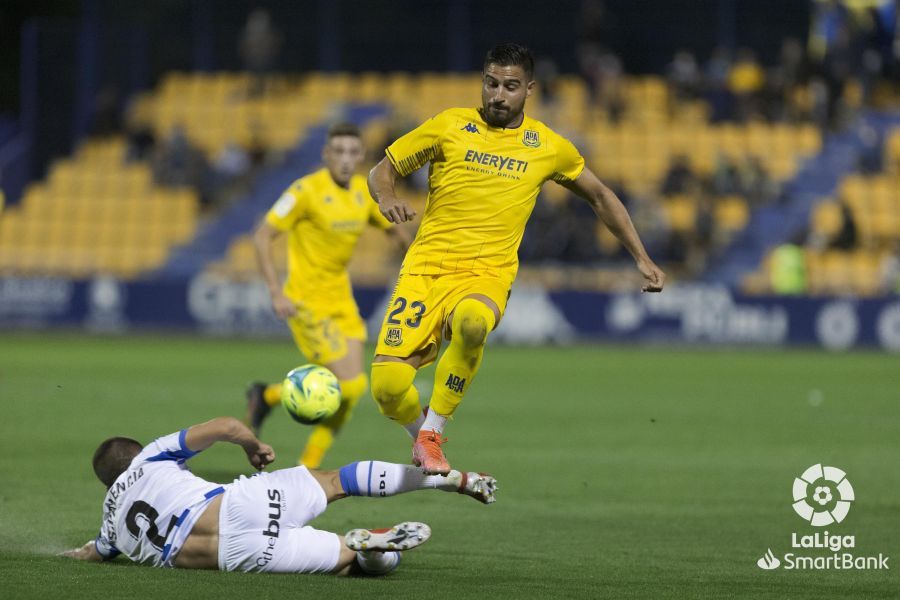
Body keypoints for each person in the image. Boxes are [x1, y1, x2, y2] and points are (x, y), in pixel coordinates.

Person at [366, 43, 665, 475]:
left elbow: (599, 195)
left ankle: (434, 431)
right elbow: (383, 169)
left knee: (472, 324)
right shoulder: (449, 125)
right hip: (425, 268)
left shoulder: (546, 145)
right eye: (491, 83)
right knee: (387, 390)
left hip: (486, 273)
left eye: (510, 86)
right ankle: (421, 436)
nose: (498, 95)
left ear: (529, 89)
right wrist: (388, 197)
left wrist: (641, 256)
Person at [60, 416, 496, 576]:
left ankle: (370, 547)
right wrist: (253, 447)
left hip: (238, 555)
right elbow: (227, 427)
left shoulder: (111, 524)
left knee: (347, 562)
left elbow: (93, 552)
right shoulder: (152, 457)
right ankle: (451, 479)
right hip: (235, 504)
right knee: (336, 479)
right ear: (133, 454)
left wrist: (68, 553)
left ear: (107, 483)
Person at [246, 122, 411, 468]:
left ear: (362, 156)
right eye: (338, 152)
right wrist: (276, 292)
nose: (346, 160)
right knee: (350, 386)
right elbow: (262, 236)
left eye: (353, 152)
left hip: (341, 300)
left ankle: (270, 398)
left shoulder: (362, 195)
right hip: (306, 301)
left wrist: (415, 255)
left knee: (353, 389)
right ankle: (308, 466)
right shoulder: (305, 190)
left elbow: (394, 231)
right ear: (326, 154)